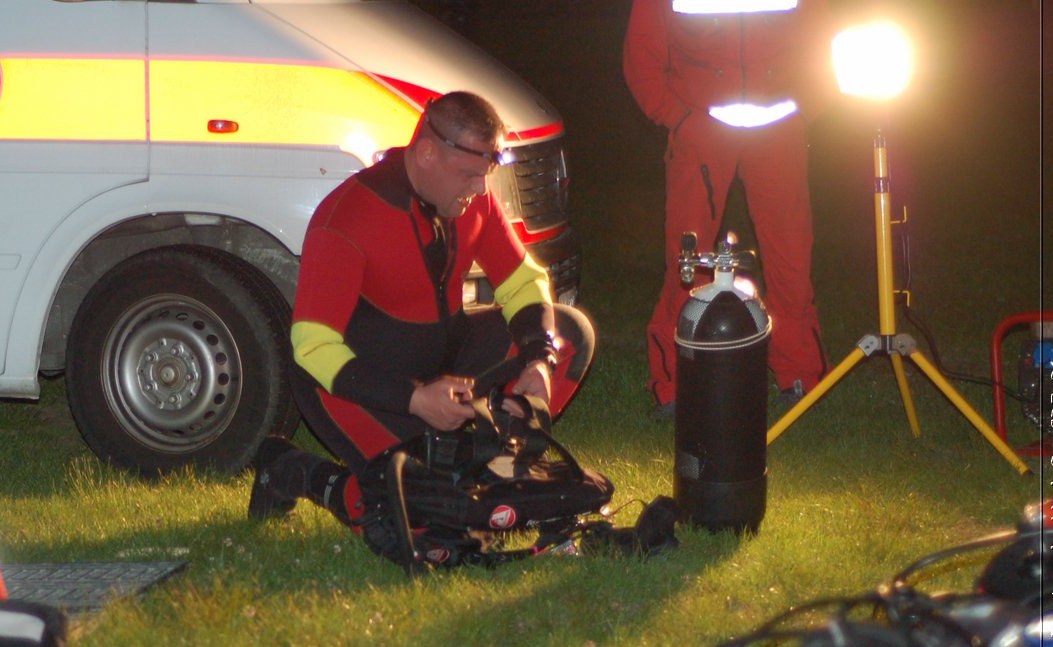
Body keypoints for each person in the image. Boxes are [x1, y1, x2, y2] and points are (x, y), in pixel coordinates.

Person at [250, 90, 590, 527]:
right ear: (427, 153)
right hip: (360, 386)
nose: (480, 189)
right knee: (424, 515)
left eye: (484, 175)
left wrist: (538, 360)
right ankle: (292, 469)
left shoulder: (473, 201)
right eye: (469, 175)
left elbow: (524, 281)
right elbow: (312, 345)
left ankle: (500, 469)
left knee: (568, 332)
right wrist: (413, 401)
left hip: (441, 364)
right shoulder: (348, 217)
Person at [624, 0, 834, 418]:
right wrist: (679, 119)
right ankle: (675, 383)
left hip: (780, 130)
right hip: (701, 129)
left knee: (791, 257)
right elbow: (641, 56)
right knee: (687, 259)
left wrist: (807, 108)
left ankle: (799, 375)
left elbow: (828, 38)